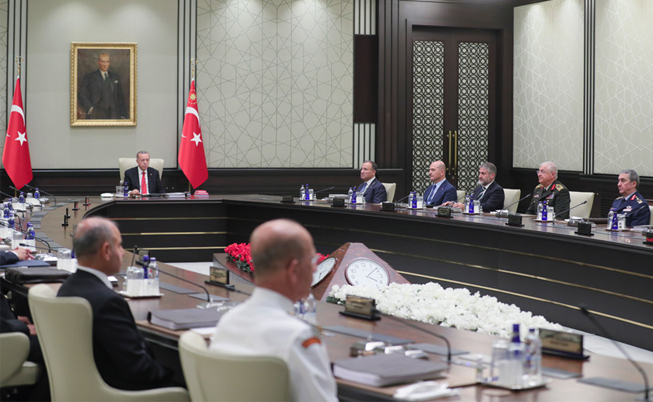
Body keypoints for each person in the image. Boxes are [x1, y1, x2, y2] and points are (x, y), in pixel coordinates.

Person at [210, 219, 338, 402]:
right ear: (294, 269)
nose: (315, 268)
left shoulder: (227, 322)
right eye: (312, 260)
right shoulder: (298, 337)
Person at [57, 217, 173, 391]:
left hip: (78, 387)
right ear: (106, 250)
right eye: (119, 246)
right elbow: (138, 369)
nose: (123, 252)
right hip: (115, 390)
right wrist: (177, 374)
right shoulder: (108, 302)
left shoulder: (66, 288)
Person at [78, 53, 128, 119]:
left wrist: (123, 115)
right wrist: (90, 108)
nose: (105, 64)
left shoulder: (115, 77)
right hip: (96, 114)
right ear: (98, 62)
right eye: (102, 62)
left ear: (109, 63)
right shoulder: (89, 77)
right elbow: (81, 94)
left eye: (107, 62)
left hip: (114, 114)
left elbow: (120, 97)